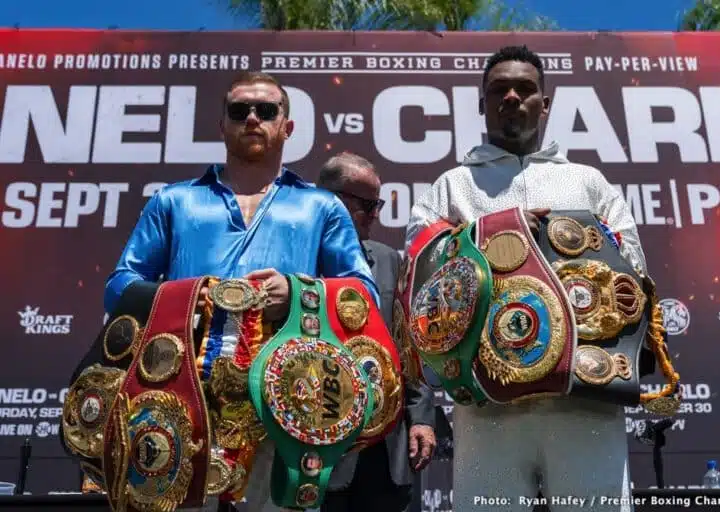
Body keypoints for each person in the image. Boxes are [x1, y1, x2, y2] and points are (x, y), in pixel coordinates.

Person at [104, 72, 379, 512]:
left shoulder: (320, 206)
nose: (252, 118)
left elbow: (363, 295)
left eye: (266, 110)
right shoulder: (173, 201)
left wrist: (297, 293)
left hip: (289, 400)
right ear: (222, 126)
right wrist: (189, 300)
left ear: (287, 127)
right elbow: (120, 286)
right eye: (239, 110)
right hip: (182, 397)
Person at [405, 45, 646, 512]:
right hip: (488, 404)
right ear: (482, 103)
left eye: (525, 89)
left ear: (546, 103)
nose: (512, 97)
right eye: (499, 89)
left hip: (584, 398)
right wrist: (503, 230)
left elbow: (632, 268)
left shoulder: (587, 181)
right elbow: (422, 266)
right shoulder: (453, 185)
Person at [317, 152, 438, 512]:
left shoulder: (389, 260)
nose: (375, 215)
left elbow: (410, 346)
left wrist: (422, 420)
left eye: (378, 204)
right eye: (366, 205)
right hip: (316, 450)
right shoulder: (294, 259)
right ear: (329, 201)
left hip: (386, 454)